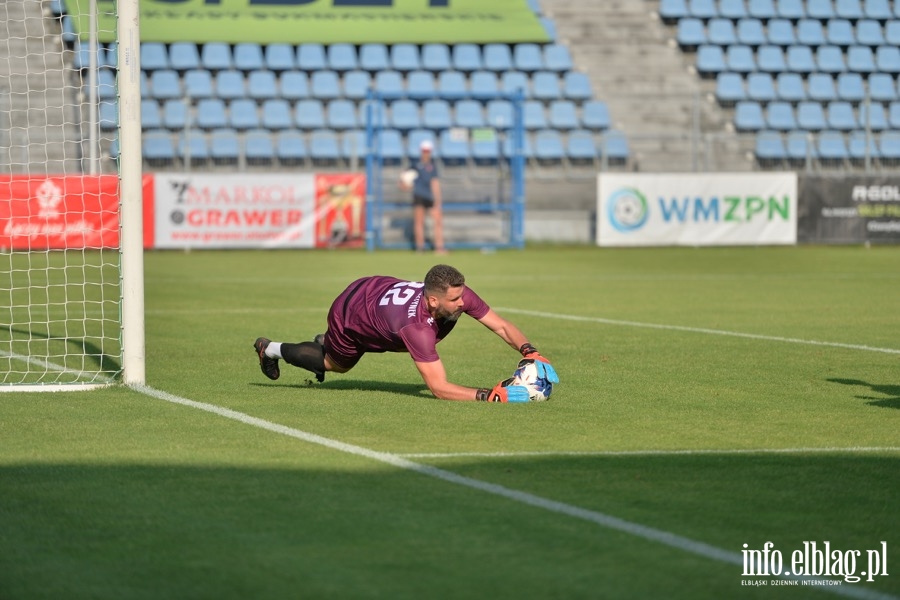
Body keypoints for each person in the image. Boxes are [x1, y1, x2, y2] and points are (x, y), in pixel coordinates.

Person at [252, 264, 558, 403]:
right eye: (455, 300)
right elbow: (438, 388)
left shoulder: (454, 297)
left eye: (462, 295)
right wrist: (489, 396)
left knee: (402, 343)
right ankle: (270, 348)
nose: (463, 303)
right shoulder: (416, 327)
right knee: (336, 364)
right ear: (434, 300)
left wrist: (529, 350)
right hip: (350, 313)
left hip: (374, 289)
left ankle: (325, 340)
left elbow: (501, 325)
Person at [402, 139, 445, 254]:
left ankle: (439, 247)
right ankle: (420, 248)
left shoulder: (432, 166)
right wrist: (406, 185)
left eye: (428, 151)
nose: (426, 153)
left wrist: (437, 198)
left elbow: (434, 183)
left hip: (430, 197)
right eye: (424, 151)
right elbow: (404, 180)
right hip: (419, 196)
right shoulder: (415, 165)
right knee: (419, 222)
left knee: (437, 222)